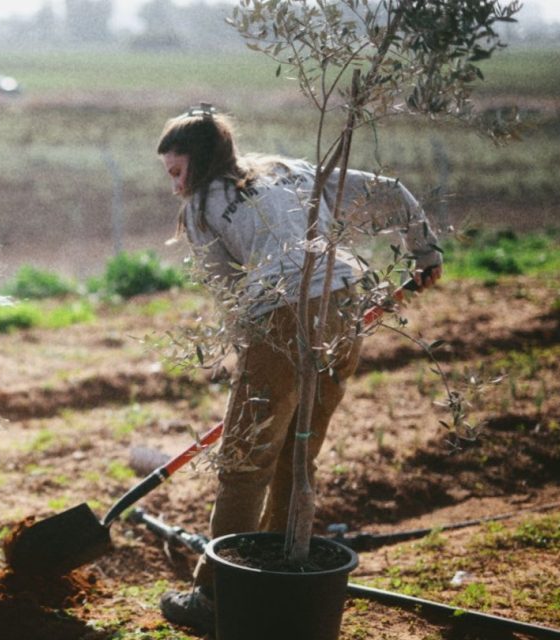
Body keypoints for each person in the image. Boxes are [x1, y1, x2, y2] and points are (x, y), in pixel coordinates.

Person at [153, 105, 442, 633]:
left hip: (280, 314)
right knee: (298, 448)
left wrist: (251, 361)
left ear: (200, 161)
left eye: (177, 172)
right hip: (345, 302)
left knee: (244, 459)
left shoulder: (200, 206)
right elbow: (388, 189)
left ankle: (216, 596)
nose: (175, 186)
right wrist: (424, 250)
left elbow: (229, 291)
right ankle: (278, 576)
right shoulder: (287, 170)